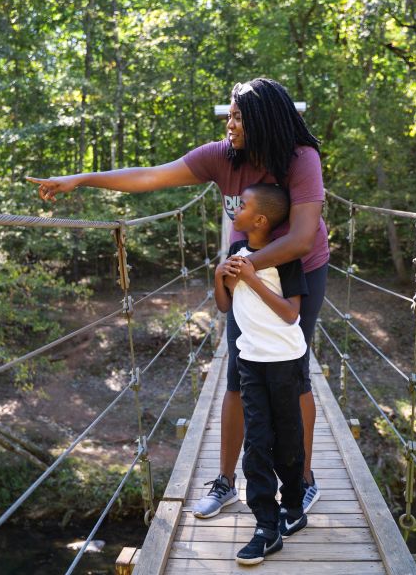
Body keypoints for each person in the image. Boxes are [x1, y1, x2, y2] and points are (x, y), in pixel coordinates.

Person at [27, 77, 329, 518]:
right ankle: (226, 481)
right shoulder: (221, 157)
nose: (230, 122)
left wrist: (246, 268)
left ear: (263, 121)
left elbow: (302, 237)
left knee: (294, 373)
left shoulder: (301, 159)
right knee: (238, 373)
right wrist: (81, 179)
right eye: (230, 113)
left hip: (300, 267)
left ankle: (302, 481)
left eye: (239, 115)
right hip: (246, 267)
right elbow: (151, 176)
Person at [213, 183, 308, 565]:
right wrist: (219, 276)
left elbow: (290, 314)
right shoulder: (236, 251)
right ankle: (266, 528)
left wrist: (252, 277)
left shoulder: (286, 257)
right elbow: (224, 306)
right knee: (256, 444)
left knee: (287, 441)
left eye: (245, 204)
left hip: (285, 360)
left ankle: (294, 506)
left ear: (262, 219)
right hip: (249, 360)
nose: (237, 206)